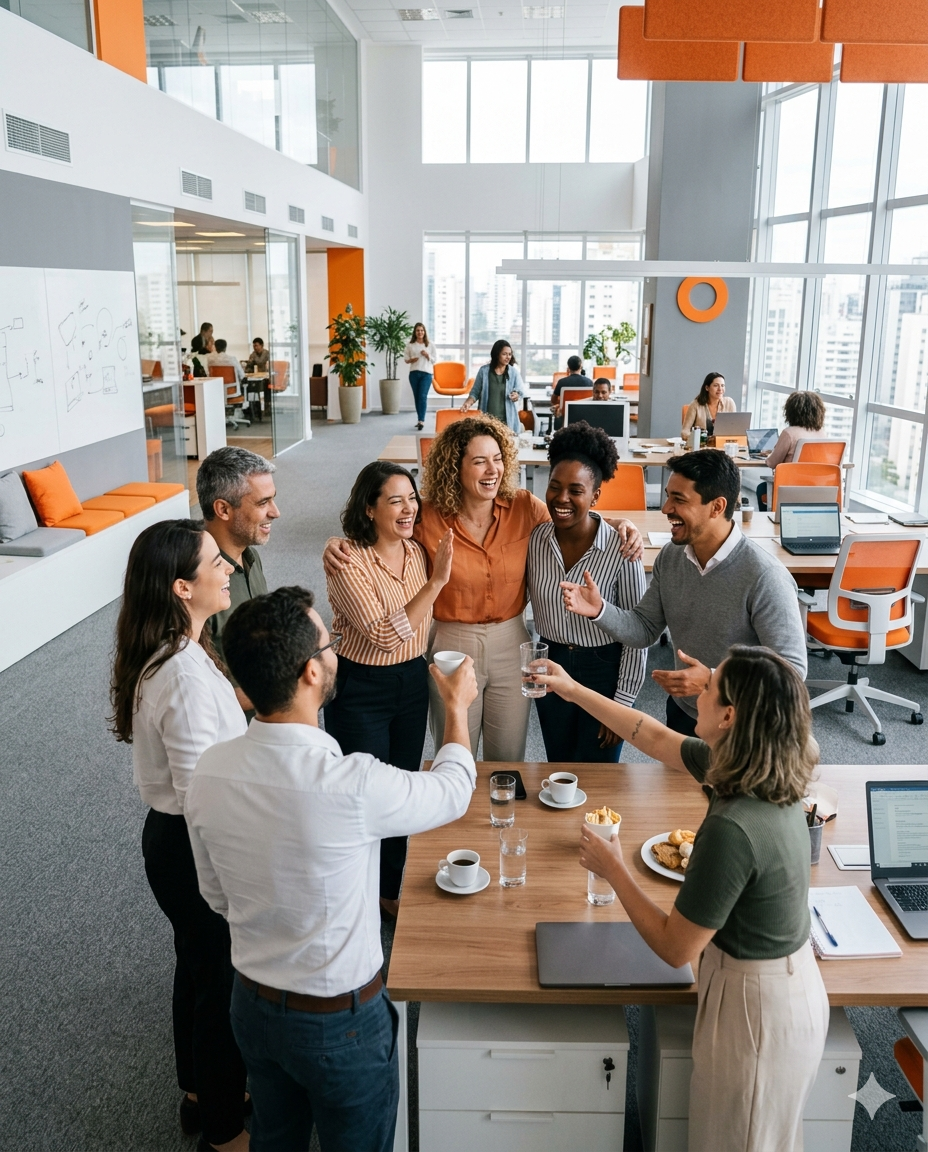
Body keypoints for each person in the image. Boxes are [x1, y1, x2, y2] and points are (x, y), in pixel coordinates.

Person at [185, 586, 478, 1152]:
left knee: (275, 1139)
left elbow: (216, 896)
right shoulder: (353, 783)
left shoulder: (208, 772)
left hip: (250, 1007)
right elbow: (453, 790)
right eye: (329, 643)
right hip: (339, 1023)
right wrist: (458, 709)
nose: (335, 651)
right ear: (311, 674)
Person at [533, 645, 828, 1152]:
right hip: (768, 985)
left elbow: (675, 949)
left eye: (710, 686)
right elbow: (650, 734)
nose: (700, 690)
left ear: (730, 716)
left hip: (758, 1010)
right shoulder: (750, 770)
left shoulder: (735, 825)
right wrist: (573, 689)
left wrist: (614, 868)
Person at [324, 414, 644, 760]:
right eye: (479, 462)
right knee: (454, 751)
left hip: (511, 640)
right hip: (451, 642)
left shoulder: (523, 506)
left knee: (507, 755)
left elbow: (570, 515)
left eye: (497, 459)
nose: (492, 470)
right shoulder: (427, 515)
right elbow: (384, 528)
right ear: (454, 467)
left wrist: (619, 523)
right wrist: (339, 542)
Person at [109, 519, 249, 1152]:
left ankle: (198, 1092)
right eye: (215, 563)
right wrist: (231, 881)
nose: (228, 569)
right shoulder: (185, 677)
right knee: (218, 988)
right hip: (193, 845)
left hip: (171, 841)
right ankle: (224, 1132)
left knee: (195, 968)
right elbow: (202, 798)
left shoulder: (175, 650)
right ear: (181, 588)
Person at [560, 449, 807, 736]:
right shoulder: (672, 556)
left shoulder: (765, 576)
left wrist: (711, 680)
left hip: (744, 725)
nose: (665, 509)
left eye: (678, 500)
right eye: (667, 496)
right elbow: (645, 629)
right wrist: (600, 610)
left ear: (716, 507)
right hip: (685, 712)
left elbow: (792, 673)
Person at [324, 462, 453, 917]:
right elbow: (383, 634)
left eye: (411, 498)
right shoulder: (348, 561)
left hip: (411, 683)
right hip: (362, 687)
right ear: (369, 508)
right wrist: (437, 583)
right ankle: (356, 894)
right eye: (394, 500)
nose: (408, 508)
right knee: (362, 797)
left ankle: (390, 891)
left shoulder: (416, 553)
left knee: (401, 790)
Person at [527, 421, 646, 762]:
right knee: (559, 767)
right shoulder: (535, 540)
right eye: (554, 486)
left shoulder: (622, 548)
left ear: (595, 496)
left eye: (576, 491)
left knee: (600, 775)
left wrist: (622, 703)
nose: (562, 498)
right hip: (551, 663)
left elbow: (638, 631)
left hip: (603, 668)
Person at [196, 447, 280, 711]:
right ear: (223, 509)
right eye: (262, 502)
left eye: (272, 499)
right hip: (228, 736)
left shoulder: (250, 556)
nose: (276, 512)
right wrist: (283, 694)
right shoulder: (193, 580)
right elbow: (191, 692)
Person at [756, 390, 828, 510]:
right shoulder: (822, 434)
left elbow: (772, 463)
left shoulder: (789, 433)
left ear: (791, 412)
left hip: (790, 487)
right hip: (816, 488)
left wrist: (772, 454)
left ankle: (769, 522)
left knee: (761, 489)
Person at [461, 339, 526, 434]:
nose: (508, 357)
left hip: (507, 422)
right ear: (497, 354)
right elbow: (475, 392)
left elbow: (521, 391)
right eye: (504, 354)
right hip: (487, 421)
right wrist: (467, 403)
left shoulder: (514, 373)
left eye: (509, 354)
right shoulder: (484, 371)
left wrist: (516, 395)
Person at [681, 371, 736, 440]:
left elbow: (734, 430)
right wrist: (700, 439)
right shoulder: (695, 405)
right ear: (707, 388)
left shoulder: (729, 403)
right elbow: (684, 432)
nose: (720, 389)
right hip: (701, 447)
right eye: (716, 385)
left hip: (722, 445)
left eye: (722, 385)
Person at [550, 354, 595, 430]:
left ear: (568, 367)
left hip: (566, 417)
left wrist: (563, 403)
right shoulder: (589, 382)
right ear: (581, 366)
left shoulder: (562, 382)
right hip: (585, 417)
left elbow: (553, 400)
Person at [403, 321, 433, 431]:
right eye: (417, 330)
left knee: (422, 396)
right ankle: (419, 419)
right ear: (415, 332)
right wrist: (411, 360)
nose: (420, 332)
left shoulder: (430, 345)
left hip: (426, 374)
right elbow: (406, 359)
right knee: (417, 397)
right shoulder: (410, 345)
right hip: (414, 374)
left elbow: (435, 360)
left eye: (421, 330)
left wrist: (427, 355)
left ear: (424, 332)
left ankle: (422, 420)